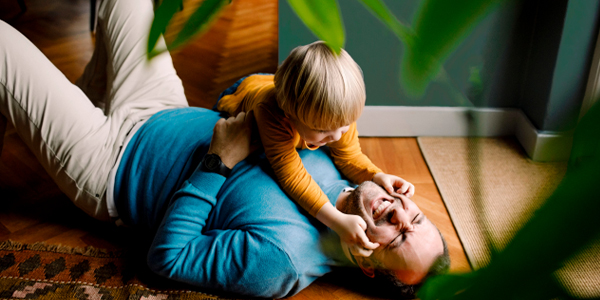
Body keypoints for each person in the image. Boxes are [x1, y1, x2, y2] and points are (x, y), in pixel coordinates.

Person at [0, 0, 449, 298]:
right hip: (161, 105)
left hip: (110, 163)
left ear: (368, 263)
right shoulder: (348, 166)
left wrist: (219, 162)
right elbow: (257, 97)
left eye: (400, 235)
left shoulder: (281, 262)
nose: (400, 213)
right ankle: (87, 93)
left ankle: (78, 106)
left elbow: (167, 258)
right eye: (417, 216)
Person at [215, 42, 415, 258]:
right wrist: (337, 221)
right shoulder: (271, 114)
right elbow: (291, 175)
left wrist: (376, 175)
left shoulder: (338, 115)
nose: (337, 136)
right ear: (289, 115)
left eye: (345, 126)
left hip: (277, 84)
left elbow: (350, 156)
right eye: (322, 130)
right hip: (246, 90)